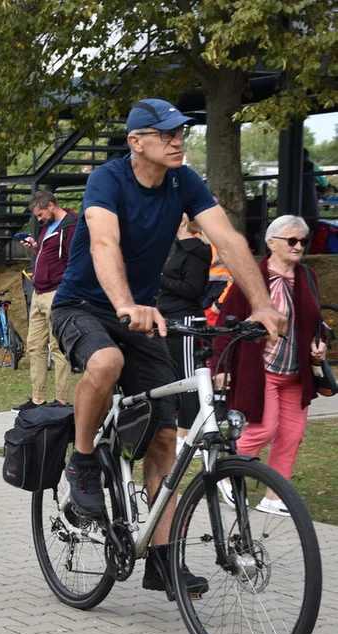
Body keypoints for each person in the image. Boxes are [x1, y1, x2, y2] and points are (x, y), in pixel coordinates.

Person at [50, 98, 286, 596]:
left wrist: (262, 305)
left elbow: (230, 239)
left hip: (143, 313)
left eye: (181, 132)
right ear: (137, 142)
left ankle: (161, 559)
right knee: (106, 360)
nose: (179, 140)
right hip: (84, 306)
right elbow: (103, 245)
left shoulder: (184, 182)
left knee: (163, 439)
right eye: (167, 134)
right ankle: (84, 458)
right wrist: (124, 304)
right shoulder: (108, 180)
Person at [213, 215, 327, 515]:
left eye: (303, 240)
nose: (299, 246)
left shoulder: (308, 277)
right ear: (271, 242)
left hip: (296, 373)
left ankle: (275, 498)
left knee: (292, 435)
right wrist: (220, 368)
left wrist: (320, 344)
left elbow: (316, 322)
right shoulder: (252, 277)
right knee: (263, 429)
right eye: (292, 240)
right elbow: (228, 323)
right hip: (260, 369)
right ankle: (226, 474)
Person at [14, 189, 76, 412]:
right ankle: (37, 398)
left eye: (40, 214)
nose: (39, 219)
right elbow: (50, 256)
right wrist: (36, 247)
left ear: (51, 205)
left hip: (56, 293)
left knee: (57, 347)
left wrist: (66, 291)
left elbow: (73, 261)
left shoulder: (70, 227)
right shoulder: (47, 229)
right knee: (35, 346)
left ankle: (60, 400)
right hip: (38, 292)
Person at [156, 214, 212, 455]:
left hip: (187, 319)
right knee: (175, 377)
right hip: (168, 319)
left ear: (181, 221)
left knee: (191, 379)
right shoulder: (173, 247)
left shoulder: (198, 250)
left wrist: (161, 280)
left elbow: (192, 289)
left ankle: (192, 433)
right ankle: (181, 430)